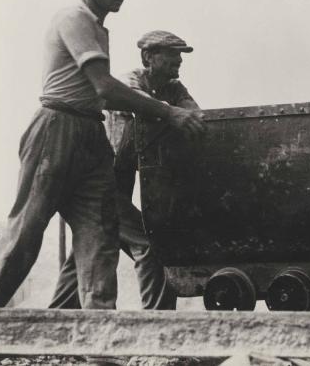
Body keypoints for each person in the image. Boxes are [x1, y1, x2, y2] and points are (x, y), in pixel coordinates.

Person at [0, 0, 204, 311]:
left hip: (91, 137)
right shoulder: (74, 18)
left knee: (100, 239)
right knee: (27, 231)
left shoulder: (99, 28)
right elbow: (104, 87)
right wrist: (169, 113)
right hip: (56, 128)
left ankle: (99, 340)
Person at [49, 30, 200, 310]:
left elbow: (193, 115)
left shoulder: (173, 88)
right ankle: (157, 333)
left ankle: (52, 328)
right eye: (171, 54)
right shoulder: (129, 84)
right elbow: (147, 109)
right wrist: (171, 113)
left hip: (114, 187)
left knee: (84, 253)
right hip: (97, 186)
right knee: (152, 248)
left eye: (180, 55)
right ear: (148, 57)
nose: (178, 61)